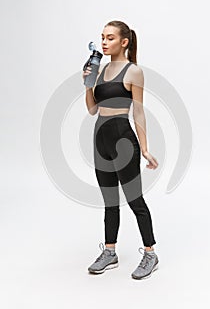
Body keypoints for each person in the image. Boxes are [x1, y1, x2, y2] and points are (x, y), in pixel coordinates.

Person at [82, 20, 159, 280]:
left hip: (124, 141)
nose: (104, 42)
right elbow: (93, 110)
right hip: (100, 140)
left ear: (124, 42)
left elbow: (138, 110)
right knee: (109, 202)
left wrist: (145, 148)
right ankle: (110, 251)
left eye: (110, 38)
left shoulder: (133, 71)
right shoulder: (100, 70)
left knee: (134, 199)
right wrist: (88, 85)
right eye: (102, 37)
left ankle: (150, 253)